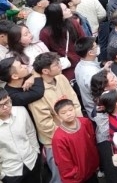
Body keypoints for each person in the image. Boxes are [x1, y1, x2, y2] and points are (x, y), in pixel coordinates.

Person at [29, 52, 83, 183]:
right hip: (55, 141)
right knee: (61, 176)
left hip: (74, 131)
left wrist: (78, 124)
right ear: (46, 71)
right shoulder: (37, 91)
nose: (60, 65)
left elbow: (74, 100)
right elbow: (45, 123)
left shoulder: (61, 78)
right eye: (56, 64)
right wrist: (66, 134)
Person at [0, 88, 47, 183]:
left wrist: (36, 151)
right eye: (0, 105)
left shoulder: (21, 111)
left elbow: (31, 132)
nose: (6, 107)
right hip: (11, 172)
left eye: (7, 102)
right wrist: (2, 175)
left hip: (32, 162)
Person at [51, 98, 101, 183]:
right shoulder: (59, 137)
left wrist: (95, 161)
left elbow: (92, 141)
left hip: (90, 169)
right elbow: (63, 161)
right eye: (63, 113)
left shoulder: (85, 122)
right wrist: (75, 173)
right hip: (76, 177)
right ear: (58, 116)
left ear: (74, 109)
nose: (68, 114)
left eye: (70, 110)